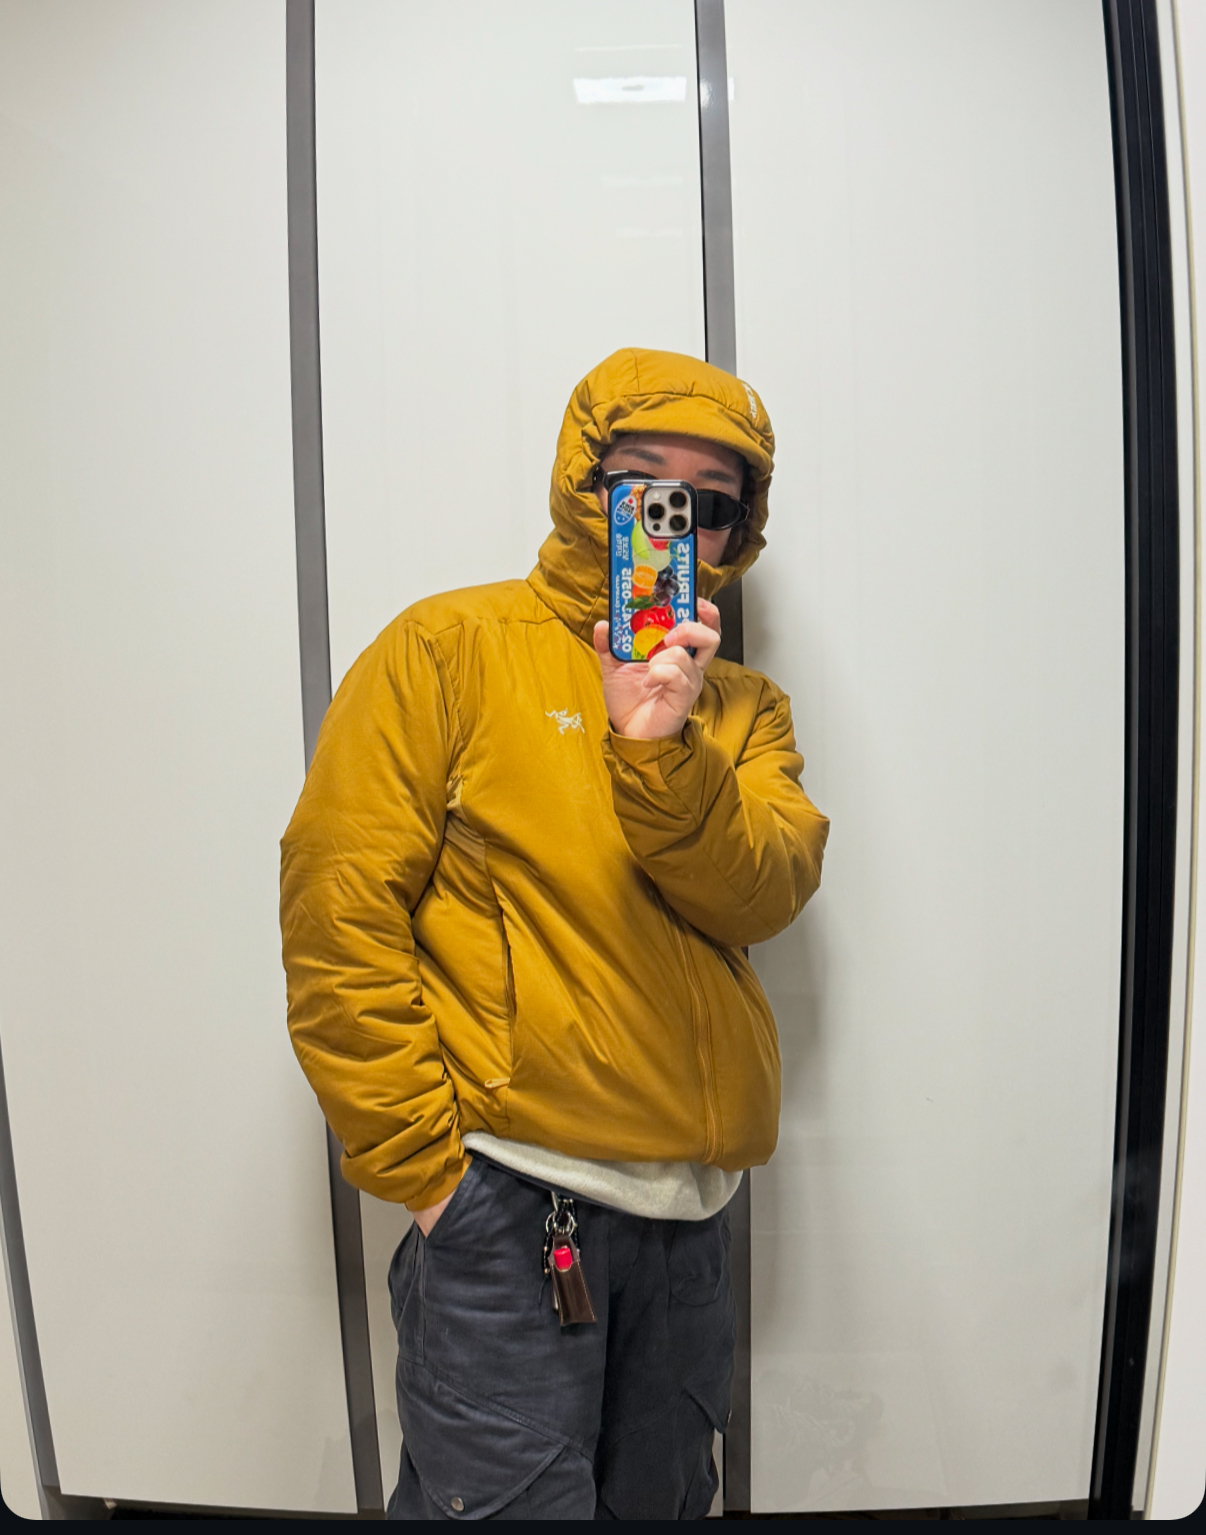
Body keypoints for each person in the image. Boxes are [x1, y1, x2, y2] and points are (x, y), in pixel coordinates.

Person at [280, 347, 829, 1520]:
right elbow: (338, 913)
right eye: (643, 483)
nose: (675, 519)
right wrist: (430, 1177)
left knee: (664, 1507)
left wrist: (661, 751)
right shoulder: (447, 649)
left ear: (737, 532)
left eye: (709, 502)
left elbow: (765, 894)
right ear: (583, 481)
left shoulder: (745, 710)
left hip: (691, 1225)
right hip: (509, 1211)